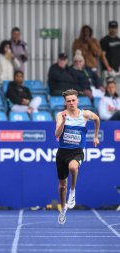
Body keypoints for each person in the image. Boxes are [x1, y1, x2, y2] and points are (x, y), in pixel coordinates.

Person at [54, 89, 100, 225]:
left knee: (73, 167)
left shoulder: (85, 114)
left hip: (77, 151)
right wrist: (63, 122)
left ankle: (72, 192)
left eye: (73, 100)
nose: (71, 103)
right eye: (69, 101)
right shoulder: (60, 115)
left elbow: (97, 119)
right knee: (62, 186)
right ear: (65, 103)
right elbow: (57, 134)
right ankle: (63, 209)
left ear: (77, 101)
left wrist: (96, 136)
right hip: (62, 152)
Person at [100, 21, 120, 95]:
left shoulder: (118, 40)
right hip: (108, 71)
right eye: (111, 28)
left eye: (115, 28)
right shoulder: (104, 40)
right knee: (108, 89)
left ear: (117, 29)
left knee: (117, 89)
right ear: (108, 29)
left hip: (118, 70)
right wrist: (108, 67)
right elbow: (103, 55)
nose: (113, 30)